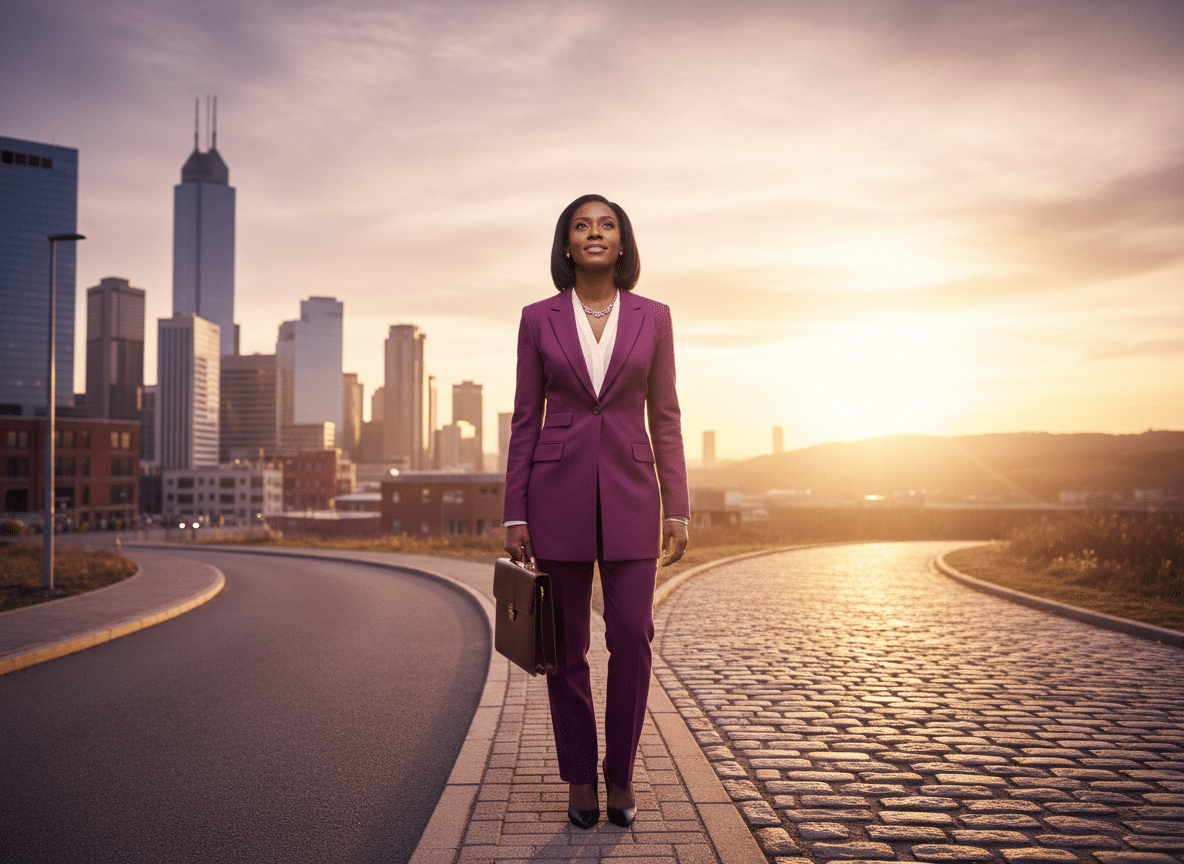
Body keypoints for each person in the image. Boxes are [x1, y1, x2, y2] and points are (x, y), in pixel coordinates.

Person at [503, 193, 690, 829]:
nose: (594, 234)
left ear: (622, 242)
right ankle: (581, 775)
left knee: (633, 638)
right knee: (567, 648)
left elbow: (665, 416)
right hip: (554, 496)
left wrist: (678, 508)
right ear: (566, 244)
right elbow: (526, 418)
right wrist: (514, 512)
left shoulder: (654, 316)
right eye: (582, 226)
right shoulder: (537, 318)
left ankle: (622, 775)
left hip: (635, 496)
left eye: (606, 225)